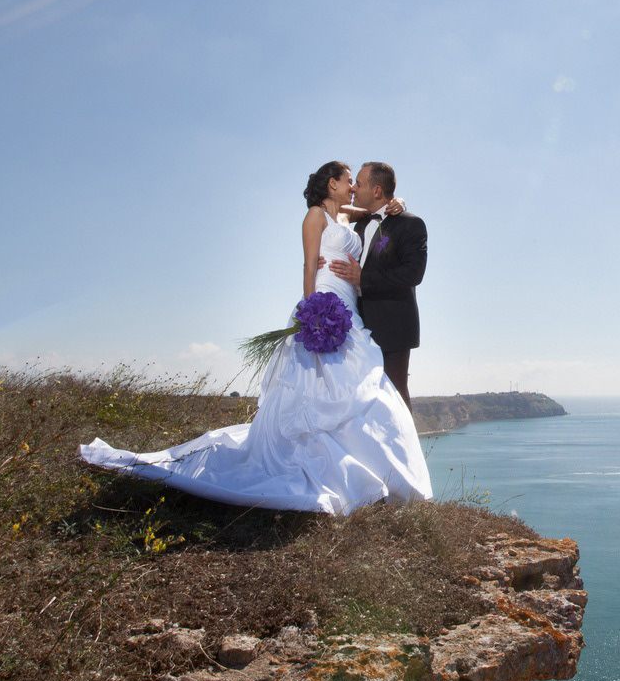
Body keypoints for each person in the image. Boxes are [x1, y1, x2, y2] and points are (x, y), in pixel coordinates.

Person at [79, 161, 432, 513]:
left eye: (358, 183)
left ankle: (377, 466)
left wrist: (397, 201)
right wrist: (311, 311)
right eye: (349, 181)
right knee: (320, 384)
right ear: (331, 184)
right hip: (325, 300)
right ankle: (332, 464)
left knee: (362, 383)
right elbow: (309, 265)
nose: (353, 187)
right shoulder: (315, 216)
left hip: (350, 305)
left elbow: (379, 212)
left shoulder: (348, 215)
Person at [326, 161, 427, 409]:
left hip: (393, 324)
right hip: (357, 324)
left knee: (394, 392)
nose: (354, 189)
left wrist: (363, 279)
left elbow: (413, 274)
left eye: (359, 184)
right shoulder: (360, 223)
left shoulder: (410, 224)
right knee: (359, 395)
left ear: (377, 191)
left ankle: (404, 437)